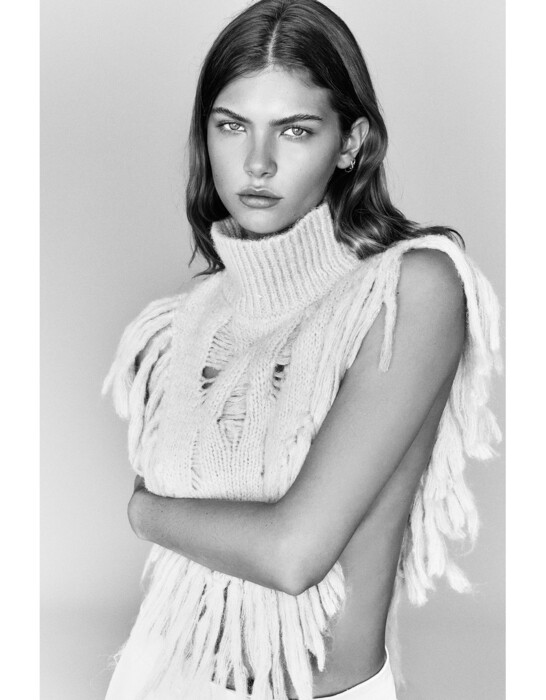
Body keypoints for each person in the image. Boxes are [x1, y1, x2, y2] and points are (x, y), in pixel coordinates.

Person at [101, 1, 502, 698]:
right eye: (232, 126)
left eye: (295, 130)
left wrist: (144, 513)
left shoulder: (409, 290)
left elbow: (294, 553)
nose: (257, 162)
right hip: (160, 676)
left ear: (350, 144)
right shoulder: (185, 321)